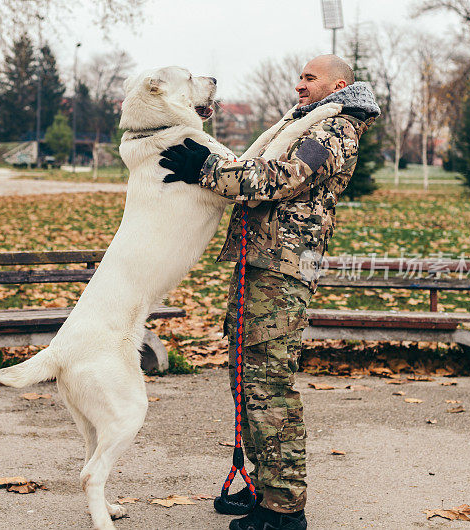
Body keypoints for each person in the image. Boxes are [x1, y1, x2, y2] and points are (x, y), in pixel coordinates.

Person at [158, 55, 380, 530]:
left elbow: (282, 179)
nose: (299, 85)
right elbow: (255, 169)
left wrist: (209, 169)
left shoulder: (335, 129)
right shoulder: (301, 122)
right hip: (259, 263)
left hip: (283, 270)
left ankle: (283, 508)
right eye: (298, 77)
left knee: (268, 384)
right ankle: (262, 484)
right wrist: (207, 162)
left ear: (339, 84)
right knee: (246, 378)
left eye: (310, 78)